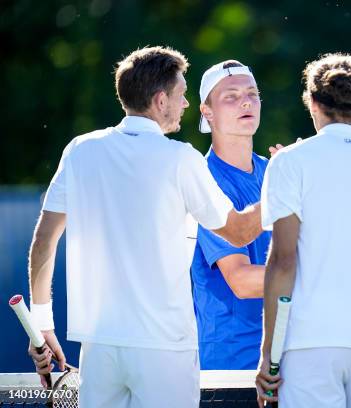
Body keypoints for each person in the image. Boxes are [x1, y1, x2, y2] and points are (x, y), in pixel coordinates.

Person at [27, 46, 262, 408]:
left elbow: (44, 239)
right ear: (159, 100)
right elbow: (240, 232)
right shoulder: (181, 158)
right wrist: (285, 188)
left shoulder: (79, 150)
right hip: (164, 347)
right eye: (181, 96)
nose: (185, 105)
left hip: (100, 347)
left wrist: (42, 323)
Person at [255, 53, 351, 408]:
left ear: (310, 100)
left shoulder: (290, 163)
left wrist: (269, 355)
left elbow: (282, 261)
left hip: (311, 345)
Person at [191, 59, 271, 369]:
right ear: (206, 111)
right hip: (231, 369)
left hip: (287, 363)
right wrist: (327, 277)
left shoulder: (278, 171)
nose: (246, 101)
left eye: (252, 93)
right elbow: (241, 280)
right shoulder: (202, 180)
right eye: (231, 96)